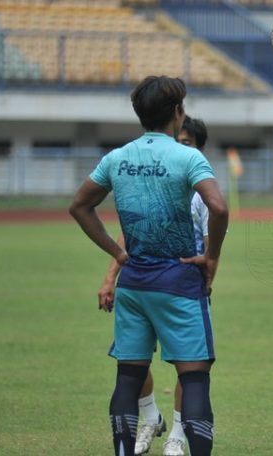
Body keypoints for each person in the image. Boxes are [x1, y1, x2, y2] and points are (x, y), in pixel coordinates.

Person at [70, 76, 228, 456]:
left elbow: (80, 206)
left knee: (128, 378)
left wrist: (119, 255)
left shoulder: (117, 158)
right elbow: (219, 208)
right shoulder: (188, 156)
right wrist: (211, 256)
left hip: (134, 284)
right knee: (194, 379)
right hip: (178, 283)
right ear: (177, 113)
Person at [98, 116, 210, 456]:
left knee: (187, 367)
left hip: (183, 286)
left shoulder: (202, 191)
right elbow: (131, 233)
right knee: (135, 364)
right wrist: (110, 276)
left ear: (198, 149)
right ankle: (150, 417)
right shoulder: (157, 180)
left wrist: (207, 274)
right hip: (142, 282)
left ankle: (177, 432)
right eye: (177, 141)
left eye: (187, 143)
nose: (179, 148)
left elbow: (209, 241)